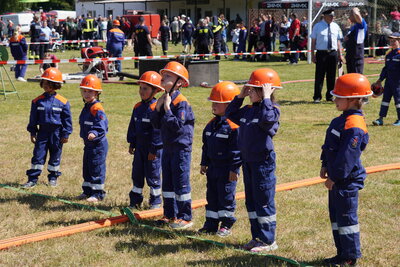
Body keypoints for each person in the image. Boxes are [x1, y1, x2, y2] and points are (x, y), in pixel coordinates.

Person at [225, 68, 281, 253]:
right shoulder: (248, 110)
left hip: (262, 163)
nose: (250, 93)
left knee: (263, 200)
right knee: (252, 201)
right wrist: (240, 95)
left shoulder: (272, 110)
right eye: (250, 89)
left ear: (267, 91)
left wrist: (266, 98)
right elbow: (230, 114)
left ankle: (268, 240)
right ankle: (256, 237)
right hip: (248, 162)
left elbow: (267, 121)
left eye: (254, 90)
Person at [320, 73, 372, 266]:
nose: (334, 99)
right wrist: (324, 163)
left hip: (346, 181)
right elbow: (329, 145)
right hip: (336, 178)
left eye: (338, 96)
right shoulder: (340, 120)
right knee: (336, 219)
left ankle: (350, 257)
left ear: (352, 99)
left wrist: (334, 177)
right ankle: (341, 253)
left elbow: (346, 158)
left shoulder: (354, 126)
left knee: (347, 221)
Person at [150, 62, 195, 229]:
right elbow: (155, 124)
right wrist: (158, 108)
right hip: (167, 147)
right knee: (167, 182)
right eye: (164, 75)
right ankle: (169, 214)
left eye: (168, 76)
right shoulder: (165, 98)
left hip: (180, 148)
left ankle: (185, 217)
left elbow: (176, 125)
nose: (163, 78)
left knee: (180, 181)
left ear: (180, 82)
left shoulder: (181, 102)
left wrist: (167, 108)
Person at [198, 81, 241, 237]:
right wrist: (204, 163)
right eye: (213, 102)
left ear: (230, 104)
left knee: (225, 196)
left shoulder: (234, 127)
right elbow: (206, 146)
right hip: (213, 168)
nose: (214, 105)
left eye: (218, 102)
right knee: (212, 196)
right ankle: (211, 224)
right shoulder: (211, 125)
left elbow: (237, 151)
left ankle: (226, 223)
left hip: (226, 170)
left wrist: (234, 169)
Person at [23, 68, 72, 188]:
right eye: (44, 82)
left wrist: (65, 134)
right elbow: (33, 119)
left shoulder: (63, 102)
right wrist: (33, 132)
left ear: (56, 84)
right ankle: (33, 179)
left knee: (55, 156)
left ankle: (53, 177)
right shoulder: (37, 101)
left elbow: (67, 120)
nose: (46, 85)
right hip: (43, 133)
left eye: (49, 83)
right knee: (38, 155)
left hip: (57, 133)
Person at [127, 71, 164, 210]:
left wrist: (154, 149)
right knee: (137, 174)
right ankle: (135, 201)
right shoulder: (137, 107)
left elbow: (158, 131)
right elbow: (133, 126)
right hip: (140, 149)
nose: (142, 91)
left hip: (152, 150)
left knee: (153, 174)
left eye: (146, 88)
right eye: (141, 88)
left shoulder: (156, 108)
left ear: (155, 91)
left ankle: (155, 201)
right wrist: (132, 142)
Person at [78, 75, 109, 202]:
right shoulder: (87, 106)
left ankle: (98, 193)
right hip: (88, 144)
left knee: (96, 167)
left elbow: (102, 125)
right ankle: (87, 190)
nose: (86, 94)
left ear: (97, 93)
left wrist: (94, 133)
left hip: (97, 145)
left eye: (90, 91)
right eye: (84, 91)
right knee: (87, 167)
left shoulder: (97, 108)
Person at [310, 9, 344, 103]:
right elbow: (313, 42)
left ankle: (330, 96)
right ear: (324, 16)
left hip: (333, 53)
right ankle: (317, 97)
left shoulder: (336, 26)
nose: (332, 17)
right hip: (321, 53)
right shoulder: (317, 26)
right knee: (319, 76)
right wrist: (312, 55)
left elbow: (338, 41)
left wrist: (340, 54)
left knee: (331, 76)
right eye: (330, 16)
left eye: (333, 16)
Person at [372, 32, 400, 126]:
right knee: (385, 100)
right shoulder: (389, 55)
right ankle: (380, 119)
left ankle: (399, 119)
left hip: (398, 83)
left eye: (394, 41)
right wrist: (380, 80)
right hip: (388, 82)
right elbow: (385, 69)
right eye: (391, 41)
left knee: (398, 101)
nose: (392, 43)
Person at [344, 8, 367, 74]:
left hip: (357, 56)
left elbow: (357, 15)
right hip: (350, 55)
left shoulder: (361, 24)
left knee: (356, 77)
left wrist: (355, 10)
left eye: (351, 15)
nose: (349, 17)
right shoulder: (353, 26)